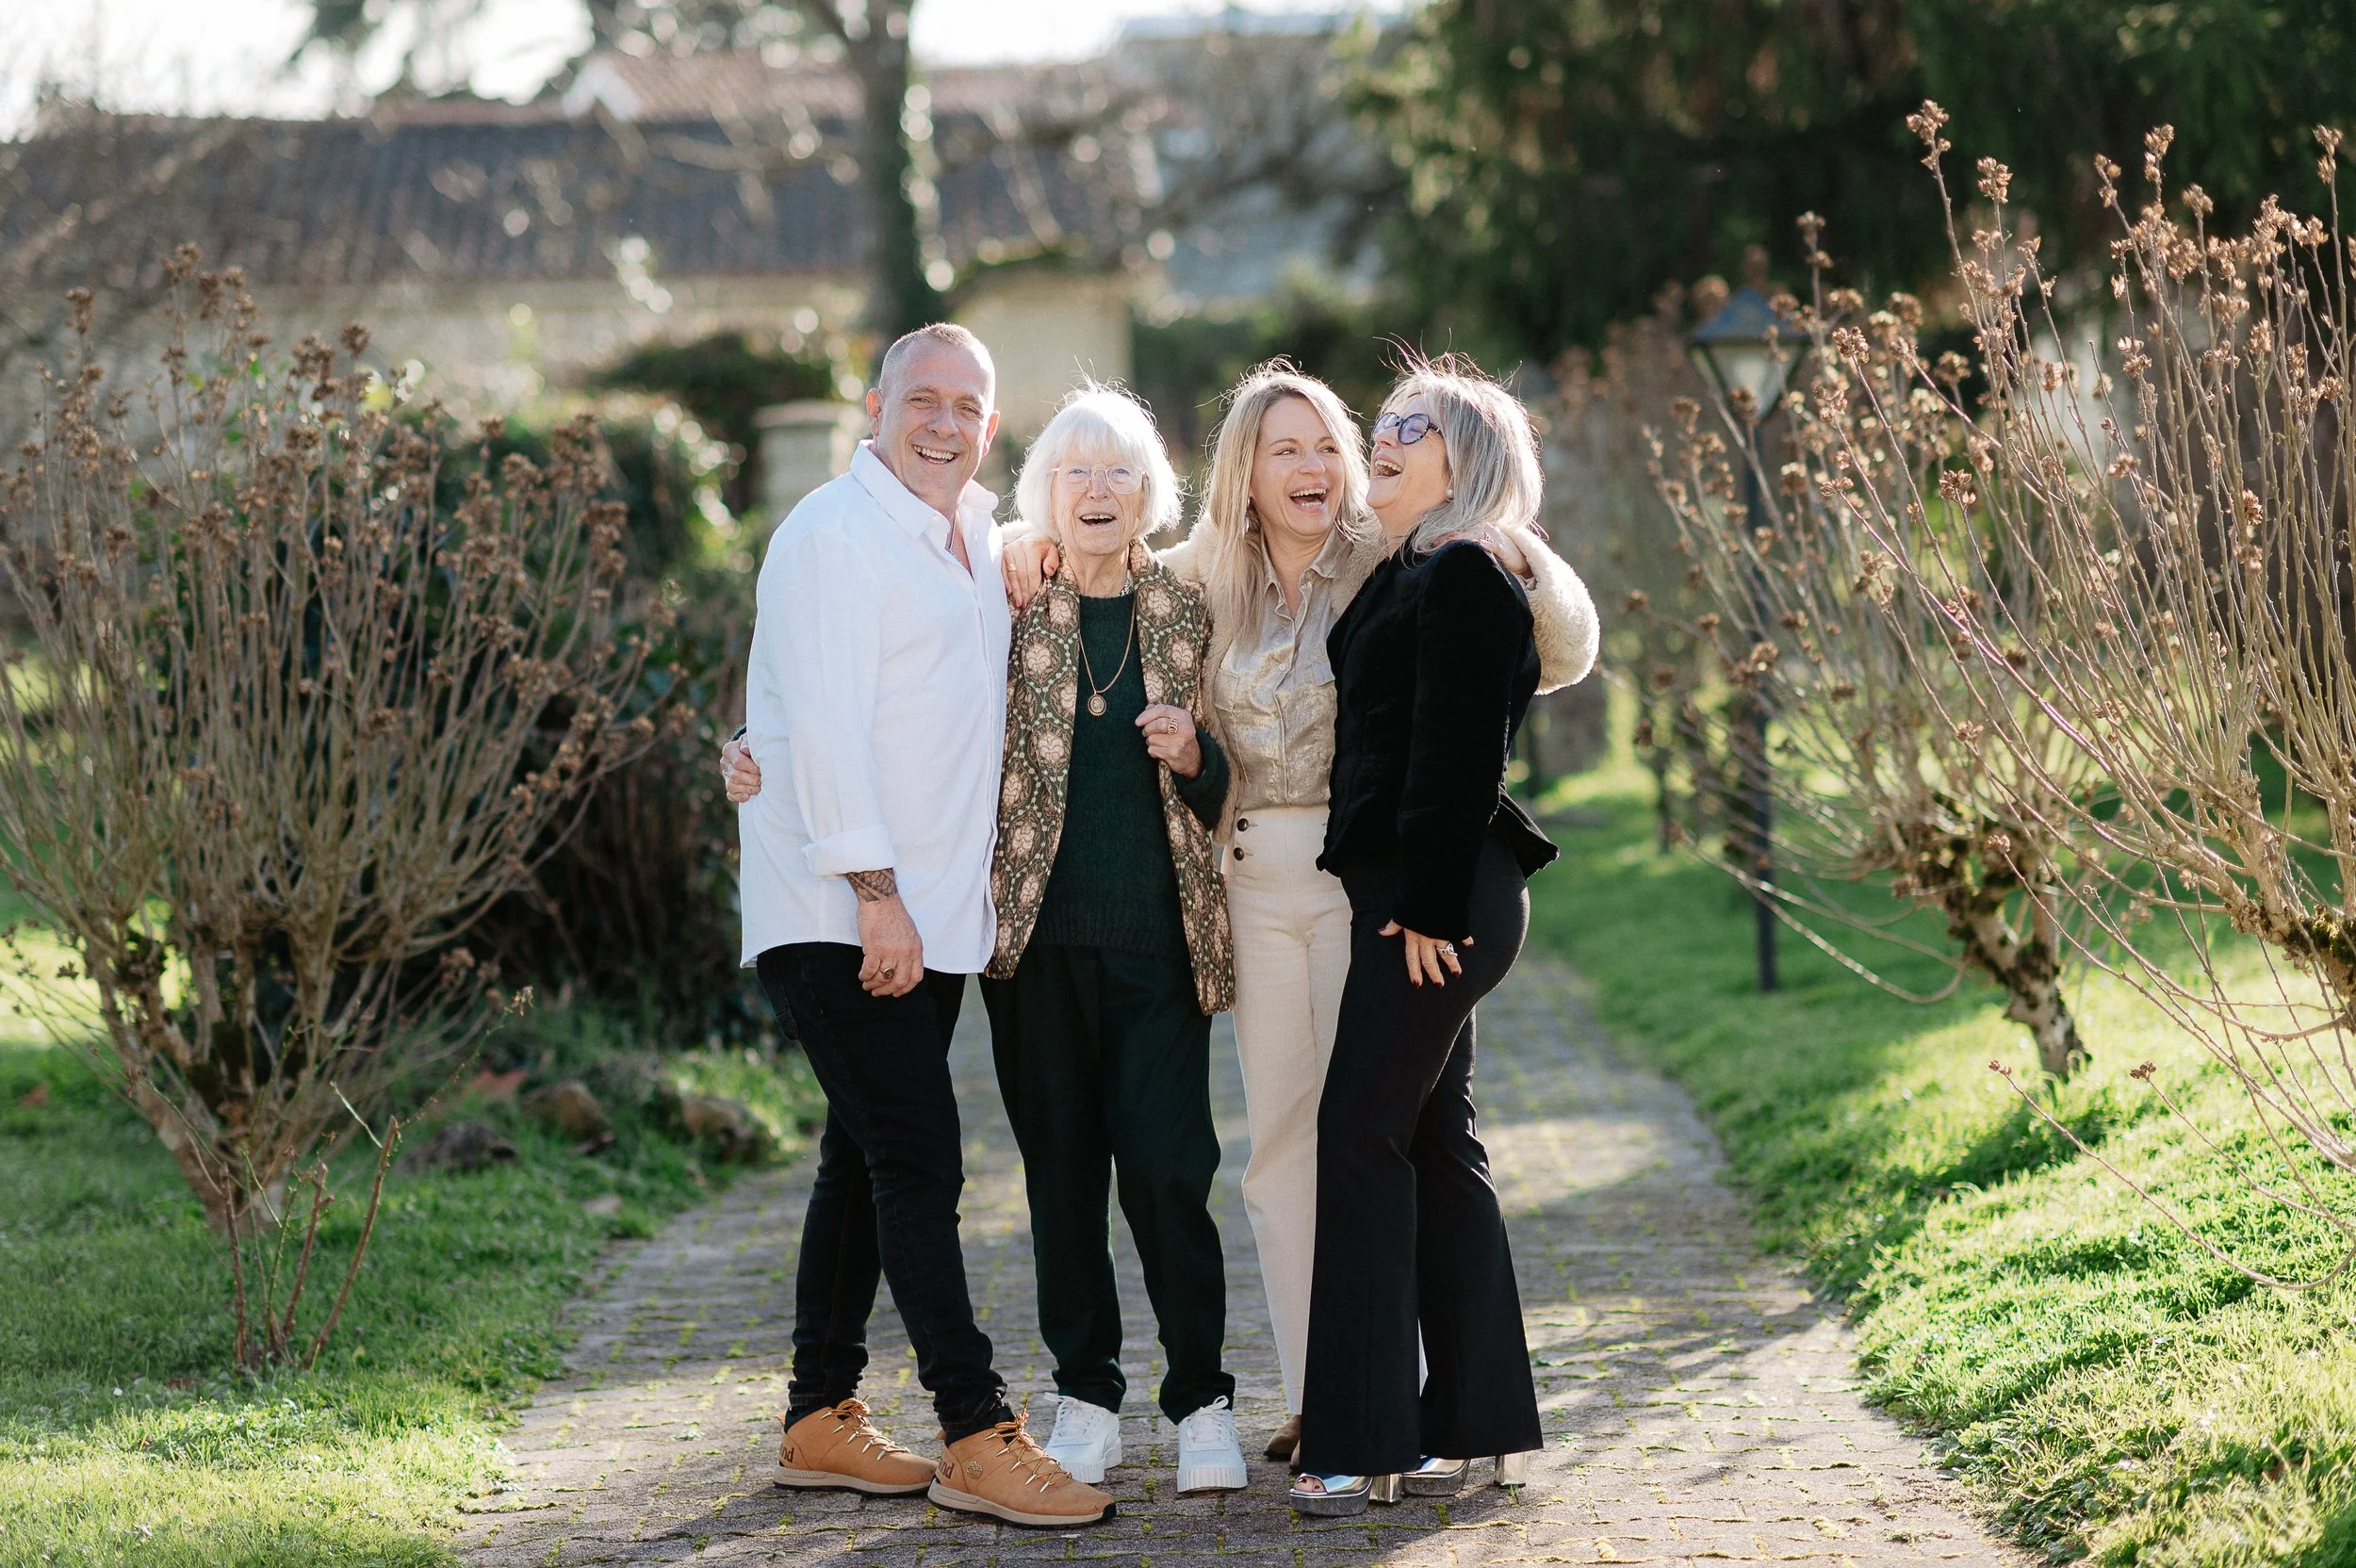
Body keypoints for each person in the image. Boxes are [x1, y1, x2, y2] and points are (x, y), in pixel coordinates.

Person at [999, 364, 1595, 1466]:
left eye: (1328, 443)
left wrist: (1524, 547)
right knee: (1283, 1144)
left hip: (1368, 872)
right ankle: (1325, 1396)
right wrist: (1015, 543)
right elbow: (1098, 555)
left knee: (1385, 1128)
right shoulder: (1200, 572)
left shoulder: (1397, 547)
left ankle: (1402, 1397)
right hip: (1249, 873)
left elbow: (1560, 650)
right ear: (1245, 471)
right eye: (1285, 448)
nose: (1313, 465)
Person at [738, 321, 1113, 1528]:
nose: (943, 423)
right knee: (917, 1158)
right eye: (921, 400)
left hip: (928, 913)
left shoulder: (973, 538)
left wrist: (1023, 544)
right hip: (843, 909)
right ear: (874, 407)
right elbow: (823, 726)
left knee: (860, 1156)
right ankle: (972, 1427)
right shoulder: (830, 536)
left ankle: (818, 1413)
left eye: (966, 406)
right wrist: (873, 894)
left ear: (989, 426)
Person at [1284, 359, 1561, 1514]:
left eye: (1416, 426)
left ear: (1467, 460)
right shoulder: (1409, 568)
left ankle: (1359, 1438)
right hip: (1409, 894)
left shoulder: (1463, 569)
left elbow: (1458, 750)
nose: (1383, 437)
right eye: (1386, 420)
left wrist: (1429, 904)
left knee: (1357, 1135)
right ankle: (1476, 1421)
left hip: (1437, 898)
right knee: (1436, 1142)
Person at [978, 384, 1251, 1496]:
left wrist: (1196, 756)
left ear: (1150, 492)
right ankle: (1084, 1396)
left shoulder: (1188, 608)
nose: (1098, 490)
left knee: (1169, 1173)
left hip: (1159, 942)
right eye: (1076, 471)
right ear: (1044, 492)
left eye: (1120, 471)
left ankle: (1202, 1403)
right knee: (1060, 1178)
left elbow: (1234, 776)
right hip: (1033, 945)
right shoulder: (1003, 599)